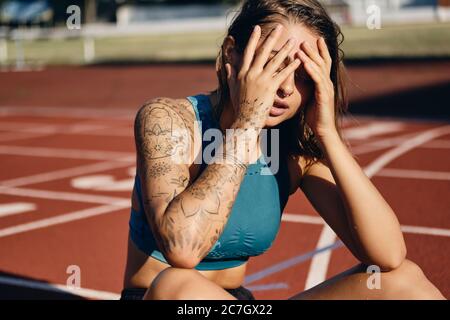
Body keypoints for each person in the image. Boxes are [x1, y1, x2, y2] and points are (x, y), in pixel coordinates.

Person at [121, 0, 445, 300]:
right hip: (167, 299)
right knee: (177, 286)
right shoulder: (169, 120)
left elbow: (388, 254)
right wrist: (247, 123)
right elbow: (182, 247)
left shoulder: (293, 148)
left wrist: (327, 133)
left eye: (304, 77)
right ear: (232, 54)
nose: (287, 88)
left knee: (402, 281)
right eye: (275, 65)